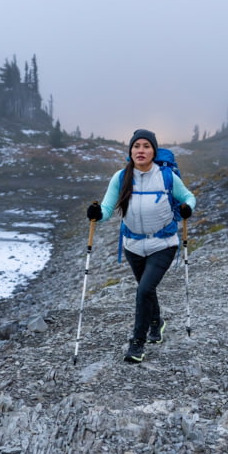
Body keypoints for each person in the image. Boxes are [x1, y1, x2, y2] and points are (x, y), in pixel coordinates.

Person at [86, 129, 196, 363]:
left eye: (146, 146)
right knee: (147, 290)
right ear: (131, 151)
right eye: (137, 146)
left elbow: (188, 197)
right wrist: (98, 214)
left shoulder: (166, 176)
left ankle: (137, 343)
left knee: (144, 290)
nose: (141, 150)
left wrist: (187, 208)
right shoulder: (120, 177)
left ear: (154, 151)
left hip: (163, 243)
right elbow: (106, 208)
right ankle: (157, 322)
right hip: (132, 245)